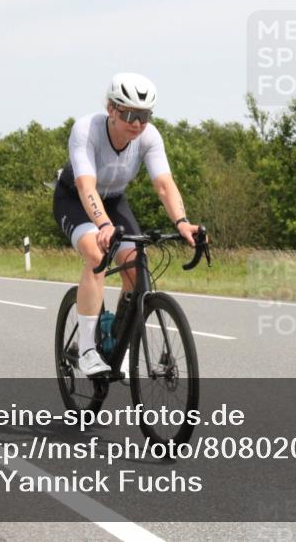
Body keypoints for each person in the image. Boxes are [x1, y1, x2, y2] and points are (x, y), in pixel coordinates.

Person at [52, 72, 201, 376]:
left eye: (144, 115)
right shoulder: (86, 130)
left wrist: (183, 222)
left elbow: (164, 185)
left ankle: (119, 337)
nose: (137, 123)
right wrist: (104, 225)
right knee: (96, 254)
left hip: (115, 200)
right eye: (130, 114)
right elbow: (86, 186)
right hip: (75, 199)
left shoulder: (149, 137)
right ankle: (88, 348)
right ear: (111, 109)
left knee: (135, 264)